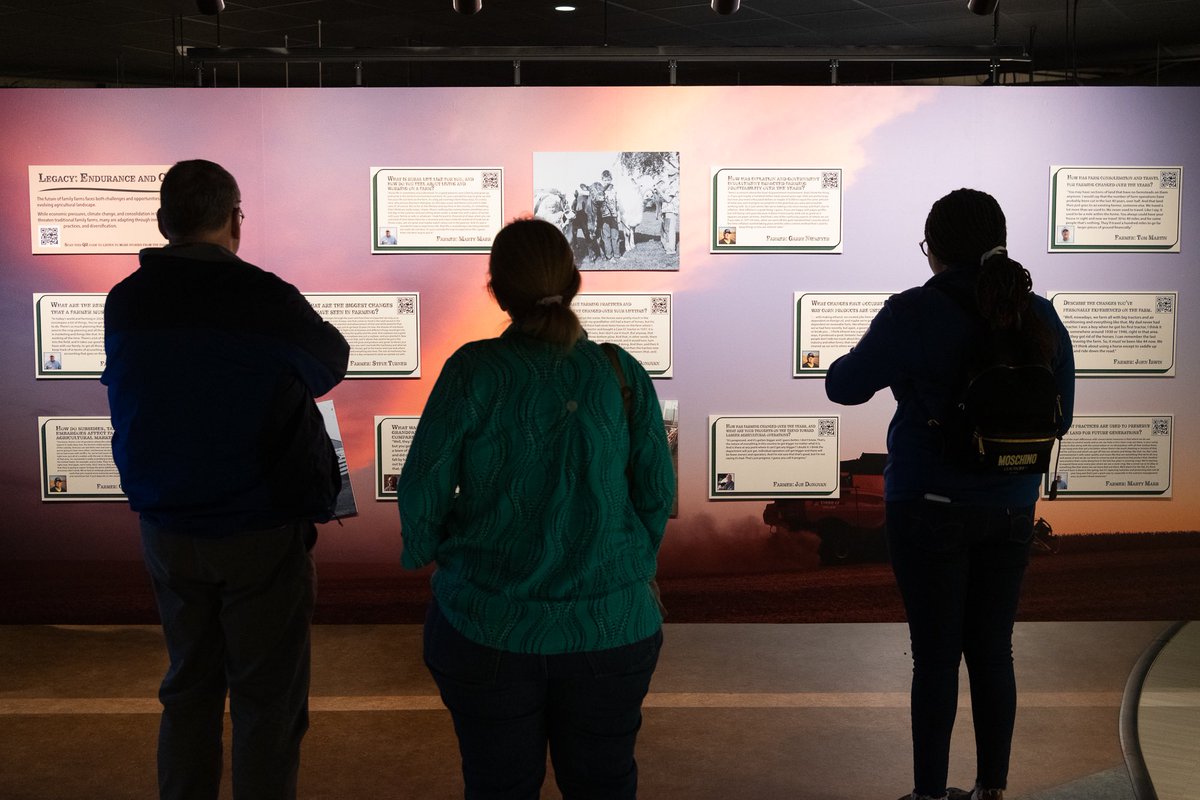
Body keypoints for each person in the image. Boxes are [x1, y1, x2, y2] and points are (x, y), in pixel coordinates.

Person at [398, 217, 675, 800]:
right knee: (604, 782)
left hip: (485, 628)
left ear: (495, 290)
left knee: (498, 785)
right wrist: (624, 563)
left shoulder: (472, 369)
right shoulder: (619, 371)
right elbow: (655, 492)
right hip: (614, 628)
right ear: (575, 281)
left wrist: (433, 548)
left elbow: (423, 483)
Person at [102, 159, 349, 800]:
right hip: (261, 527)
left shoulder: (126, 299)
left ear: (163, 223)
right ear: (236, 220)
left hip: (167, 525)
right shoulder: (264, 296)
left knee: (188, 690)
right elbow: (330, 364)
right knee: (266, 701)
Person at [824, 189, 1075, 800]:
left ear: (933, 250)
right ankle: (992, 790)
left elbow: (844, 388)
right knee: (993, 653)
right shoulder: (1041, 316)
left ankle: (931, 795)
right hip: (1013, 508)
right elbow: (1061, 418)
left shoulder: (913, 311)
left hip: (928, 509)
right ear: (1000, 243)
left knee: (935, 658)